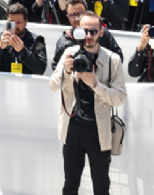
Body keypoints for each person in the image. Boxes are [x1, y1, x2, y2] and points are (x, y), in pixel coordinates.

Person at [49, 12, 127, 195]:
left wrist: (95, 85)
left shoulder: (112, 60)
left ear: (101, 32)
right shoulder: (69, 53)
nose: (89, 36)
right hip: (72, 127)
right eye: (85, 31)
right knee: (70, 186)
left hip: (99, 131)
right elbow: (53, 85)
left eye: (93, 31)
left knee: (101, 188)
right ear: (78, 32)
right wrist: (66, 72)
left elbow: (120, 97)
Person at [51, 0, 124, 70]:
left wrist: (100, 61)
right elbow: (55, 68)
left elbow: (119, 58)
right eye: (72, 15)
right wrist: (66, 69)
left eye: (80, 13)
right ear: (67, 17)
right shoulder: (64, 41)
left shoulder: (101, 33)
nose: (77, 18)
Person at [0, 3, 47, 75]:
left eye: (18, 22)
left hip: (28, 84)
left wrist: (23, 51)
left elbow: (40, 70)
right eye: (11, 22)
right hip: (3, 84)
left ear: (26, 22)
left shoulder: (37, 41)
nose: (15, 26)